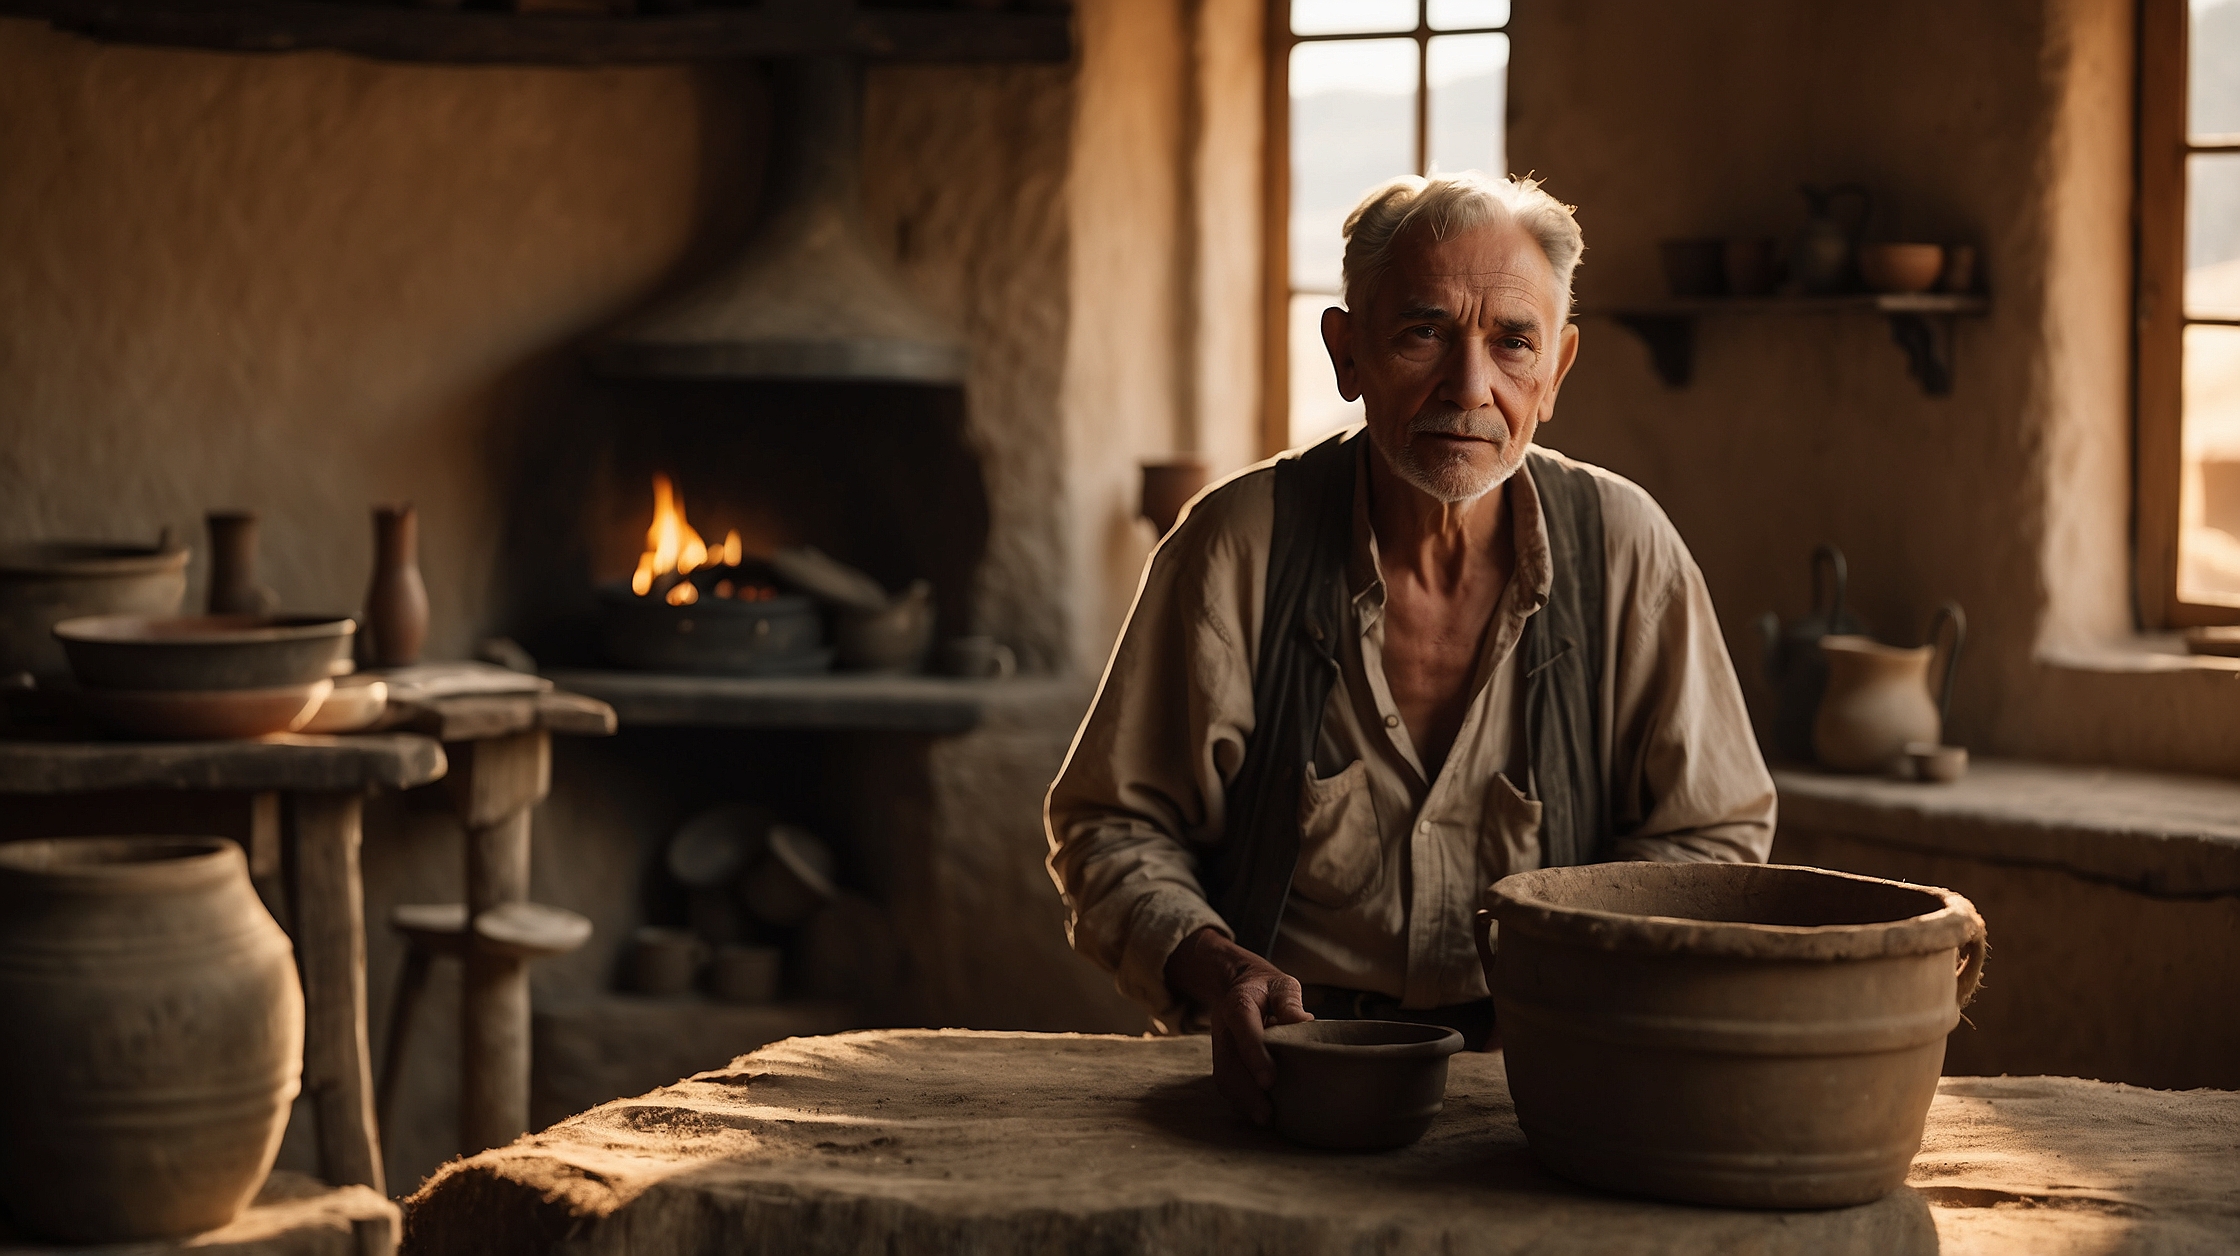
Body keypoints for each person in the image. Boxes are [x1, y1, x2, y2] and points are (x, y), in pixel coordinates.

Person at [1044, 171, 1775, 1124]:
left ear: (1555, 372)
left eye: (1514, 343)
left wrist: (1575, 981)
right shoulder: (1239, 545)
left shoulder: (1624, 547)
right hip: (1286, 1080)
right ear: (1348, 353)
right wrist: (1218, 967)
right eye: (1423, 331)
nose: (1469, 387)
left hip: (1552, 1082)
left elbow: (1714, 833)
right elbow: (1112, 826)